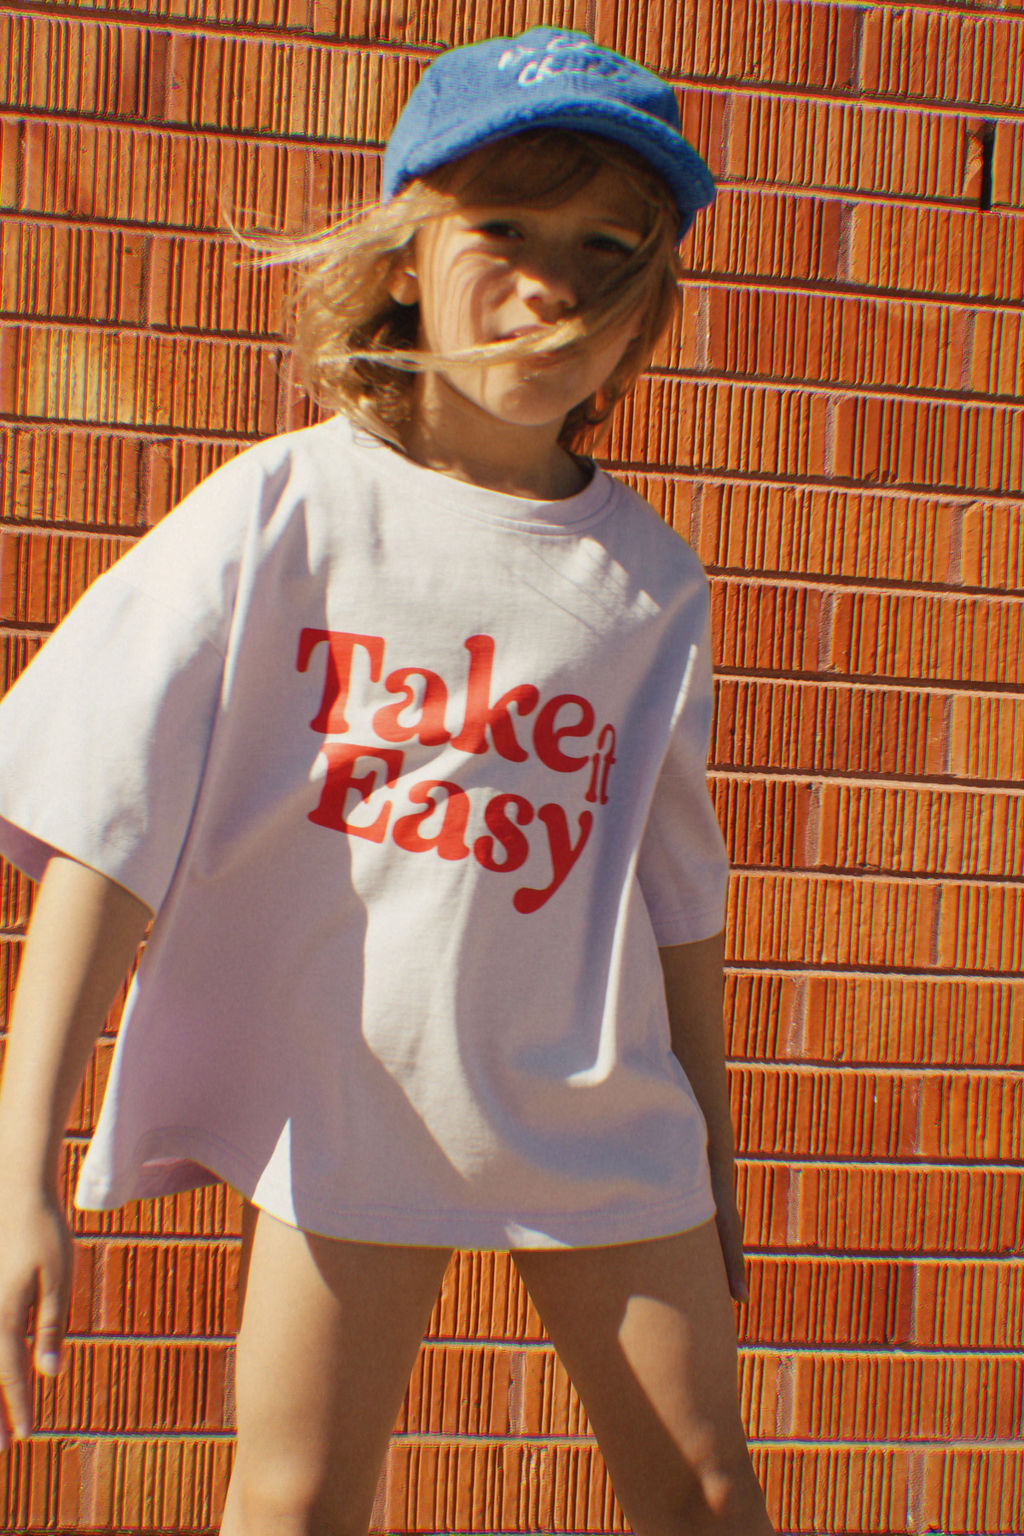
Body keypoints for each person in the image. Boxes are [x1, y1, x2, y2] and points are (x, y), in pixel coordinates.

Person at [0, 28, 776, 1536]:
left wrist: (717, 1155)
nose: (551, 284)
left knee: (706, 1491)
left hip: (595, 1109)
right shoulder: (287, 510)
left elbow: (679, 893)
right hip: (351, 1105)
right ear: (408, 250)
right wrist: (18, 1160)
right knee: (293, 1503)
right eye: (504, 227)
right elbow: (107, 821)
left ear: (646, 306)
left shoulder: (651, 584)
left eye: (606, 248)